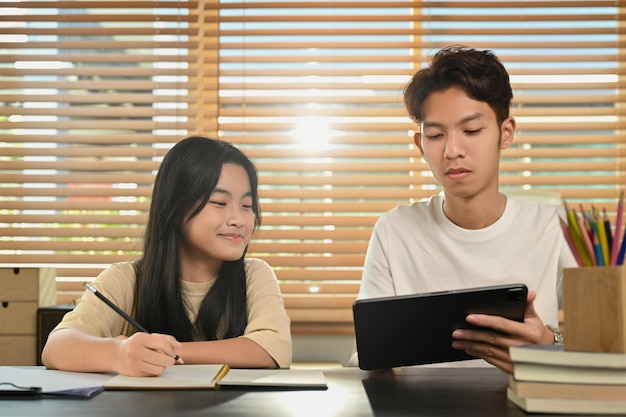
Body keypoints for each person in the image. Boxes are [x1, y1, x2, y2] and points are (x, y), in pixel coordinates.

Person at [349, 45, 577, 373]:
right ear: (420, 145)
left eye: (471, 131)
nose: (453, 151)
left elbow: (605, 341)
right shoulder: (394, 230)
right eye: (436, 135)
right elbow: (369, 358)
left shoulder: (555, 228)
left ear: (506, 132)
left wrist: (549, 345)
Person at [42, 135, 292, 376]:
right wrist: (118, 353)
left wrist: (166, 352)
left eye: (247, 206)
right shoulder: (127, 279)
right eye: (219, 202)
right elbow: (57, 347)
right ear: (175, 208)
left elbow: (272, 348)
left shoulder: (254, 274)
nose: (238, 220)